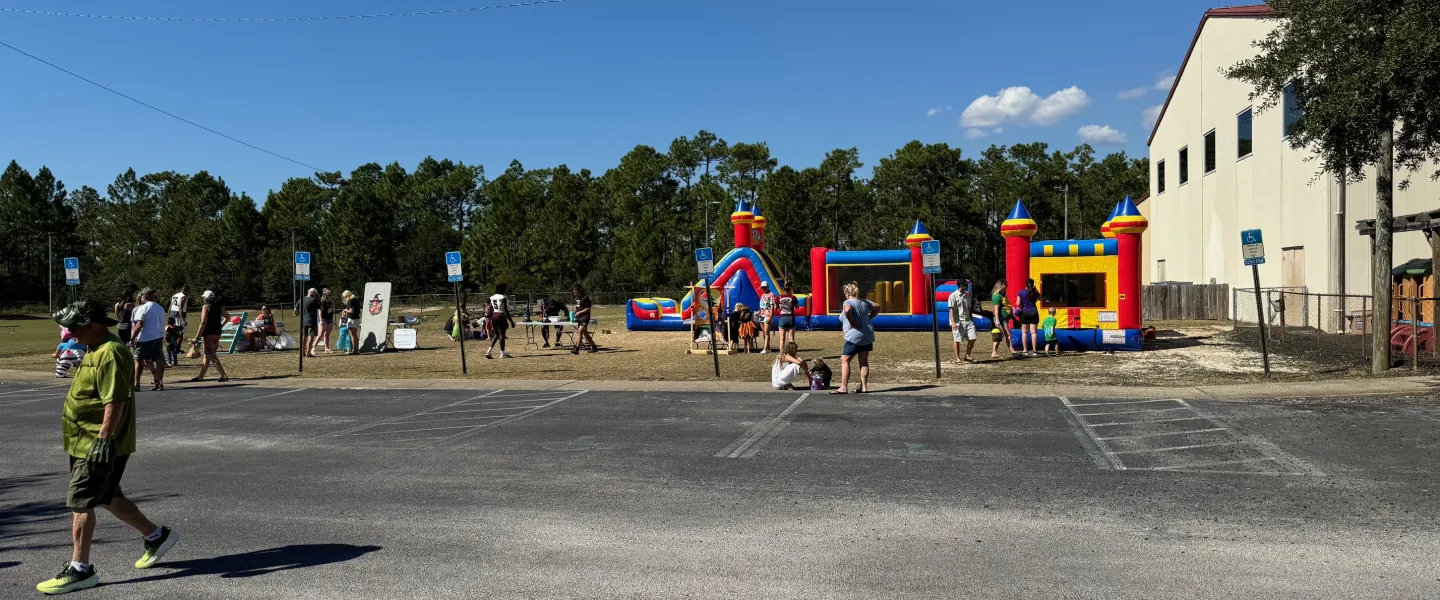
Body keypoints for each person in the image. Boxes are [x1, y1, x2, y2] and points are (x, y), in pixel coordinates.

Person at [35, 300, 179, 595]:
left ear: (94, 323)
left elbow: (116, 401)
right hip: (83, 439)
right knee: (108, 496)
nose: (70, 332)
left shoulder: (111, 352)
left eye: (74, 327)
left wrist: (103, 439)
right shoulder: (94, 347)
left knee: (82, 501)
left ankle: (80, 570)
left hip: (96, 443)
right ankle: (156, 536)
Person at [834, 283, 876, 394]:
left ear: (847, 293)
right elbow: (877, 306)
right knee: (863, 361)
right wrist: (870, 318)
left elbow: (847, 310)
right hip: (867, 334)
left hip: (854, 335)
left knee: (845, 359)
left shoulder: (848, 302)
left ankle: (843, 387)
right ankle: (864, 387)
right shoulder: (865, 301)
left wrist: (852, 322)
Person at [129, 288, 167, 391]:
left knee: (137, 360)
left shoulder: (143, 308)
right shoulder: (160, 308)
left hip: (145, 338)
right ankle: (159, 383)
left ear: (145, 296)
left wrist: (132, 338)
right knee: (158, 360)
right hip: (158, 336)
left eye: (141, 296)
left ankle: (136, 384)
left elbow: (139, 325)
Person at [188, 291, 230, 382]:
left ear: (205, 298)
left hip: (208, 334)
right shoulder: (219, 307)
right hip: (217, 334)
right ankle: (201, 376)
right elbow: (227, 317)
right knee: (207, 355)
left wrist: (197, 336)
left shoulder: (206, 307)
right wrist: (220, 325)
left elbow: (203, 322)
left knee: (212, 355)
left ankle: (224, 375)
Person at [949, 279, 977, 364]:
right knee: (957, 340)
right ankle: (958, 358)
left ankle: (967, 355)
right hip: (958, 322)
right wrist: (953, 322)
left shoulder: (967, 296)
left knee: (973, 337)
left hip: (968, 321)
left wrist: (972, 320)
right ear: (961, 286)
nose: (967, 287)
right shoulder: (953, 296)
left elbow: (969, 309)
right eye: (965, 285)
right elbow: (951, 310)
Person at [486, 284, 516, 359]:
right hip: (501, 316)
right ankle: (502, 353)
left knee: (496, 335)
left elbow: (489, 309)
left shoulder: (492, 297)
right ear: (502, 289)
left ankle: (489, 351)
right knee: (502, 335)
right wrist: (511, 321)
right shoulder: (503, 298)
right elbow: (506, 311)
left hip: (494, 316)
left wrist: (490, 318)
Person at [989, 280, 1016, 360]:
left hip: (1004, 319)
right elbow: (996, 309)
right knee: (1008, 335)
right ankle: (1014, 353)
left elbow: (1006, 306)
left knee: (1000, 335)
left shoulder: (1002, 295)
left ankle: (994, 352)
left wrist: (1011, 316)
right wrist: (997, 320)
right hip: (1001, 319)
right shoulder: (996, 296)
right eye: (1006, 285)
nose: (1007, 286)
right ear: (1001, 286)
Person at [1016, 278, 1041, 356]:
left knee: (1024, 332)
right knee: (1033, 332)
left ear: (1025, 284)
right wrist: (1036, 293)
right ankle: (1034, 351)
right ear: (1033, 284)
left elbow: (1018, 304)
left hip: (1024, 313)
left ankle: (1025, 350)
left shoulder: (1021, 292)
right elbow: (1042, 299)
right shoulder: (1035, 292)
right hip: (1034, 312)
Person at [570, 285, 598, 354]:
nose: (574, 292)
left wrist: (579, 312)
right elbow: (579, 307)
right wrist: (574, 309)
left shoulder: (586, 298)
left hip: (585, 317)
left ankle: (577, 349)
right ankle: (594, 347)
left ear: (580, 290)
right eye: (574, 291)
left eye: (576, 291)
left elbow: (588, 309)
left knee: (580, 332)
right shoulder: (578, 298)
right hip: (579, 317)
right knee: (586, 334)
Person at [775, 281, 798, 346]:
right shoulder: (793, 297)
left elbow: (775, 308)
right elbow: (797, 307)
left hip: (782, 317)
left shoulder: (778, 298)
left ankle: (781, 354)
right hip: (790, 317)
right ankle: (792, 353)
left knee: (782, 338)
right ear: (790, 289)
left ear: (783, 289)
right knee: (791, 338)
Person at [312, 289, 335, 354]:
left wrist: (332, 319)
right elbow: (320, 311)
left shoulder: (330, 301)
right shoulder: (322, 301)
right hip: (323, 319)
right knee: (320, 334)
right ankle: (313, 348)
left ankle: (327, 349)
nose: (330, 296)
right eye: (329, 295)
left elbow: (331, 310)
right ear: (325, 295)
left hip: (329, 319)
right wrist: (321, 320)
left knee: (327, 334)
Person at [300, 288, 320, 359]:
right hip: (312, 320)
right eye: (315, 294)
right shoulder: (313, 300)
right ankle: (308, 353)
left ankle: (302, 353)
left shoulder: (301, 299)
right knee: (311, 337)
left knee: (303, 337)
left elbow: (295, 310)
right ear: (313, 293)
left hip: (303, 321)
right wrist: (318, 299)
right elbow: (321, 308)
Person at [757, 282, 776, 353]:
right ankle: (768, 348)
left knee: (766, 332)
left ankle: (765, 349)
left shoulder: (771, 295)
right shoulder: (762, 295)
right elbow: (762, 306)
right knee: (764, 332)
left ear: (768, 286)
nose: (763, 289)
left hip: (768, 315)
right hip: (762, 314)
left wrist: (771, 317)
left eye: (764, 287)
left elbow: (772, 306)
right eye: (762, 287)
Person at [342, 290, 362, 355]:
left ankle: (355, 350)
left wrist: (345, 310)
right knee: (355, 335)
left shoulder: (350, 301)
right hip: (357, 318)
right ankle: (356, 349)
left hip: (352, 319)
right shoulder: (356, 299)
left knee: (352, 335)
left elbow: (351, 311)